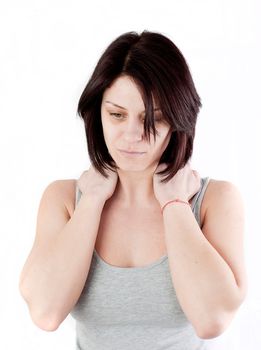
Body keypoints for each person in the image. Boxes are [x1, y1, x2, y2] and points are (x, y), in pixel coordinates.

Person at [19, 30, 248, 349]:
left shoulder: (215, 201)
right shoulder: (64, 200)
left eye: (153, 119)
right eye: (116, 115)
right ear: (96, 114)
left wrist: (175, 204)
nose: (132, 135)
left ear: (178, 120)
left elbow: (212, 320)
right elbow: (45, 313)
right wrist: (93, 201)